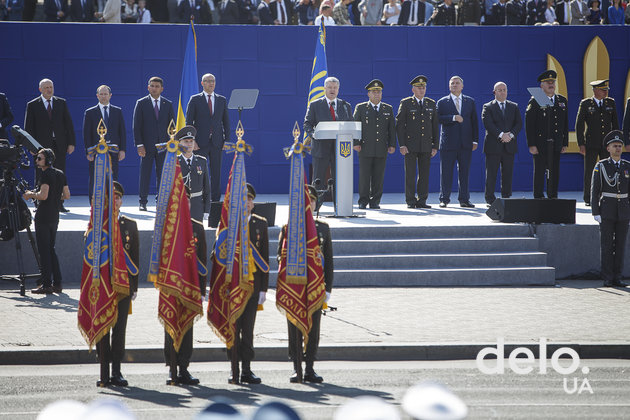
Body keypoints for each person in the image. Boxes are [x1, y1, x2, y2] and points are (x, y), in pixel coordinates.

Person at [278, 185, 333, 383]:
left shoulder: (323, 228)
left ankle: (310, 367)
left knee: (313, 327)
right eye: (305, 201)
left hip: (315, 287)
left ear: (315, 203)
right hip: (295, 286)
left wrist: (327, 289)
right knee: (294, 328)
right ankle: (296, 366)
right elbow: (280, 257)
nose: (308, 204)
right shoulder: (289, 228)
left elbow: (329, 260)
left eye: (311, 201)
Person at [94, 180, 139, 387]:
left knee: (119, 329)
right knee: (103, 327)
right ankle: (103, 370)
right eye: (112, 197)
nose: (116, 201)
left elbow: (135, 258)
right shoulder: (98, 225)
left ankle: (117, 371)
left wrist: (134, 287)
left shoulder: (129, 225)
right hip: (103, 285)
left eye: (119, 197)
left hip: (123, 287)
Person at [226, 183, 268, 384]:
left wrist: (264, 289)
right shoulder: (230, 225)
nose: (247, 202)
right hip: (234, 286)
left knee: (248, 330)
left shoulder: (261, 224)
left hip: (253, 286)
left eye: (250, 199)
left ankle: (247, 369)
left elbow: (265, 261)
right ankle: (233, 368)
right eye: (244, 199)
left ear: (253, 203)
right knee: (233, 328)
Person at [23, 148, 70, 295]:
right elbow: (66, 195)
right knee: (51, 249)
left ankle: (46, 284)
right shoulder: (60, 174)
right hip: (54, 217)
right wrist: (55, 197)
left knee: (44, 251)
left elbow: (43, 196)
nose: (36, 161)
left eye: (40, 158)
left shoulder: (45, 174)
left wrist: (30, 195)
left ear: (47, 160)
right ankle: (57, 283)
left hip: (43, 217)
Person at [25, 78, 75, 212]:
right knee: (40, 173)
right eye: (46, 87)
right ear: (40, 89)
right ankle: (39, 203)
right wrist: (31, 147)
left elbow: (68, 124)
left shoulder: (61, 103)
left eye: (51, 87)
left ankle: (59, 204)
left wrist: (71, 143)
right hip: (40, 147)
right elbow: (29, 128)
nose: (49, 90)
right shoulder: (33, 105)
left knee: (59, 173)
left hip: (59, 144)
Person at [591, 130, 630, 288]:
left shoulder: (627, 166)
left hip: (623, 211)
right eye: (614, 146)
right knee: (607, 245)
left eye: (620, 146)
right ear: (608, 148)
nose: (618, 149)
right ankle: (607, 277)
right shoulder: (601, 166)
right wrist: (595, 211)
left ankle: (618, 276)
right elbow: (595, 191)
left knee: (621, 245)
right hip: (607, 210)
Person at [185, 73, 230, 203]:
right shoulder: (195, 99)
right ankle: (198, 198)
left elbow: (225, 121)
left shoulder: (221, 100)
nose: (211, 83)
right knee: (199, 173)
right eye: (208, 81)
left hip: (217, 142)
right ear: (202, 83)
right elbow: (189, 122)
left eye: (213, 81)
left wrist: (226, 140)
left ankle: (215, 200)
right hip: (200, 143)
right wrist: (192, 141)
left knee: (216, 173)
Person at [133, 76, 175, 211]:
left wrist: (171, 143)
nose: (155, 88)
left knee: (162, 175)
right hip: (146, 146)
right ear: (148, 87)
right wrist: (139, 144)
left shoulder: (167, 104)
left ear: (162, 88)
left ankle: (161, 201)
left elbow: (172, 126)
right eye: (152, 86)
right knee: (145, 174)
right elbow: (136, 126)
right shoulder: (141, 103)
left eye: (157, 86)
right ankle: (143, 201)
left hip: (164, 147)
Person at [396, 75, 438, 209]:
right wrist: (402, 144)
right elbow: (400, 125)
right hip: (410, 145)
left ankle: (422, 200)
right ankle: (410, 200)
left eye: (423, 87)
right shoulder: (406, 103)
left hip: (426, 145)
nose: (422, 90)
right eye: (419, 87)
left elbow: (435, 126)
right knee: (410, 174)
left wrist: (435, 145)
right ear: (413, 89)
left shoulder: (431, 103)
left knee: (424, 174)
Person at [525, 70, 568, 199]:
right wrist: (531, 144)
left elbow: (565, 123)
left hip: (556, 143)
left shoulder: (561, 100)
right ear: (541, 85)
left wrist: (564, 142)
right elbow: (530, 125)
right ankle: (538, 196)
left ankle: (553, 195)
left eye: (553, 82)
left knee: (555, 171)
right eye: (547, 83)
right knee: (540, 171)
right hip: (540, 143)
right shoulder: (536, 100)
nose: (551, 85)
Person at [436, 75, 479, 208]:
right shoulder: (442, 102)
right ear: (449, 86)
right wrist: (453, 117)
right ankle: (444, 199)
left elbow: (474, 122)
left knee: (464, 173)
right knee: (446, 172)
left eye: (457, 83)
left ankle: (464, 199)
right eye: (452, 83)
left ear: (462, 86)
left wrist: (475, 141)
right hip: (448, 144)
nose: (455, 85)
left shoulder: (469, 101)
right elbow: (437, 119)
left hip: (465, 143)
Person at [353, 79, 396, 210]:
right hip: (365, 147)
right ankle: (363, 201)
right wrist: (356, 143)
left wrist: (392, 144)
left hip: (381, 148)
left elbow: (391, 129)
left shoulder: (387, 108)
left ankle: (375, 201)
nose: (377, 94)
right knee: (364, 176)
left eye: (379, 92)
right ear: (368, 94)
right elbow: (355, 127)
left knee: (378, 176)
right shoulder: (361, 108)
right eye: (374, 92)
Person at [575, 79, 619, 206]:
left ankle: (607, 196)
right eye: (602, 90)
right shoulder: (586, 104)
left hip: (607, 144)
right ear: (595, 90)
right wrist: (581, 143)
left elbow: (614, 123)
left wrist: (615, 141)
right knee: (590, 171)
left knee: (608, 170)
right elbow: (579, 125)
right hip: (591, 143)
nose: (605, 92)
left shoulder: (610, 103)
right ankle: (588, 197)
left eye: (606, 90)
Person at [304, 76, 353, 187]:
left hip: (340, 149)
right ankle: (315, 204)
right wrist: (313, 134)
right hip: (321, 147)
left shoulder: (346, 106)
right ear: (324, 88)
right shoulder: (315, 105)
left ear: (338, 89)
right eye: (330, 87)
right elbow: (307, 124)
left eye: (335, 87)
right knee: (318, 180)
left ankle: (339, 204)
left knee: (339, 181)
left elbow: (351, 125)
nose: (332, 90)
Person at [177, 126, 209, 297]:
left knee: (197, 242)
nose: (188, 144)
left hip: (196, 205)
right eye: (185, 141)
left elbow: (207, 187)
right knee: (181, 241)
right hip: (180, 206)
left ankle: (197, 278)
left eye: (191, 141)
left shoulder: (201, 161)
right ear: (179, 143)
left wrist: (207, 210)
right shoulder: (174, 161)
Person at [481, 81, 522, 206]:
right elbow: (488, 124)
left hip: (509, 145)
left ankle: (506, 196)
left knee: (507, 173)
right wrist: (501, 135)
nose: (502, 92)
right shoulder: (488, 106)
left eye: (504, 90)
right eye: (499, 90)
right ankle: (490, 198)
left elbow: (519, 124)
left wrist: (510, 135)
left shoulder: (513, 106)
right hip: (493, 146)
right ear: (494, 92)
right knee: (492, 173)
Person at [83, 85, 127, 198]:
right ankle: (93, 203)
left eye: (105, 94)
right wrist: (88, 151)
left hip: (113, 151)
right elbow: (86, 134)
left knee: (113, 177)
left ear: (110, 95)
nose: (103, 96)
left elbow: (122, 132)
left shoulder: (117, 111)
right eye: (101, 94)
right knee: (94, 177)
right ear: (97, 96)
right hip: (96, 151)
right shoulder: (90, 112)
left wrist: (122, 150)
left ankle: (113, 201)